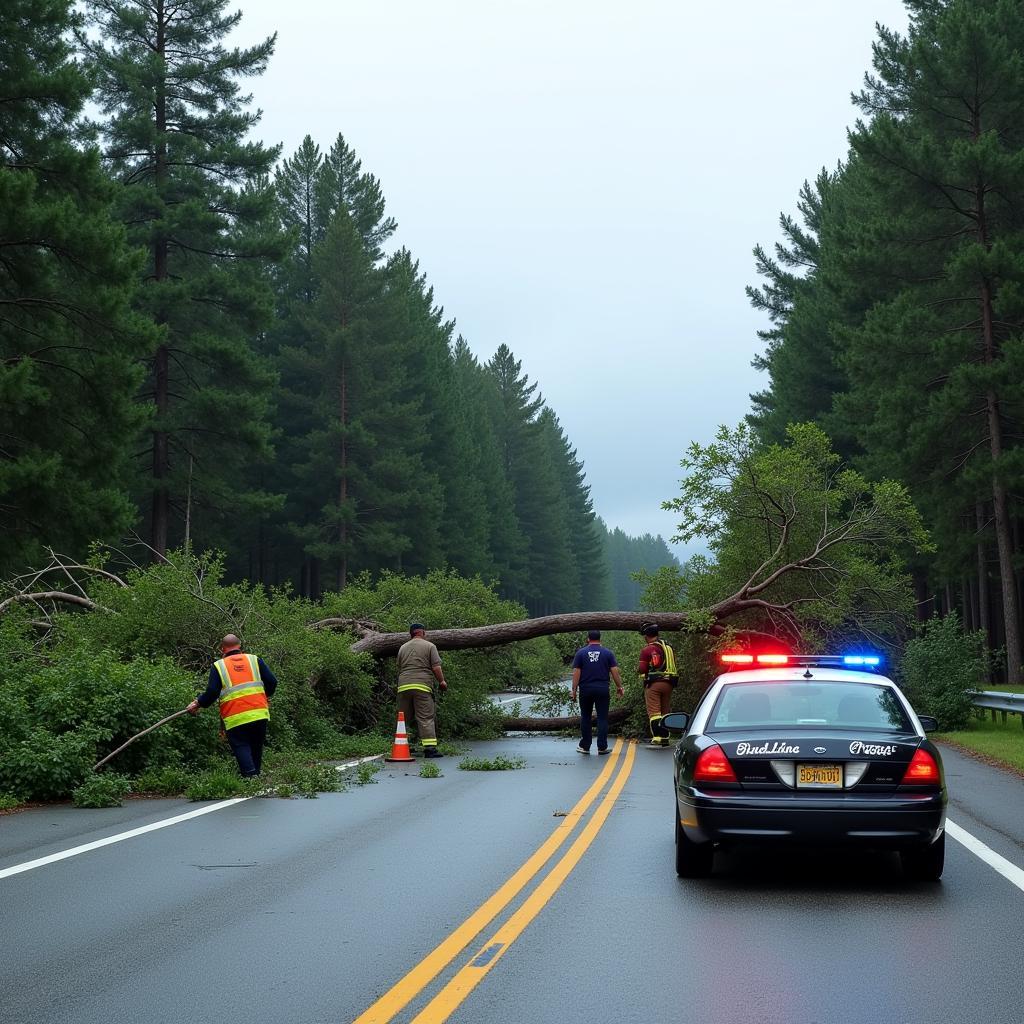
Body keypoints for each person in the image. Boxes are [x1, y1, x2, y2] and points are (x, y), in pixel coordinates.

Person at [187, 634, 278, 777]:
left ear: (222, 649)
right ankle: (255, 777)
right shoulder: (254, 660)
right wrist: (265, 696)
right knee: (256, 745)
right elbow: (272, 682)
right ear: (240, 646)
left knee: (241, 745)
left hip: (235, 716)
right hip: (259, 712)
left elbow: (212, 692)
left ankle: (250, 777)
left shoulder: (219, 666)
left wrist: (198, 703)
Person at [396, 623, 448, 758]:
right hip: (422, 686)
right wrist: (441, 681)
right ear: (422, 632)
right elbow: (436, 667)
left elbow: (400, 667)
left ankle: (405, 745)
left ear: (411, 634)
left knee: (404, 718)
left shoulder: (402, 647)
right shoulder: (430, 646)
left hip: (403, 686)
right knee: (425, 717)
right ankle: (430, 749)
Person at [571, 629, 624, 755]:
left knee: (586, 717)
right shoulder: (607, 653)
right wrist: (619, 687)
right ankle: (602, 747)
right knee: (602, 718)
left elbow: (576, 672)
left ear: (588, 638)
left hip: (586, 689)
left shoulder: (581, 653)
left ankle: (585, 746)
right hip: (602, 689)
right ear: (600, 639)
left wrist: (574, 690)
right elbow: (614, 671)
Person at [638, 623, 677, 747]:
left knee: (654, 712)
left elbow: (642, 668)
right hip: (669, 683)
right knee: (665, 711)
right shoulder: (668, 647)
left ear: (646, 636)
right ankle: (666, 736)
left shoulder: (647, 649)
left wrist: (639, 671)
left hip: (654, 683)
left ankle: (657, 736)